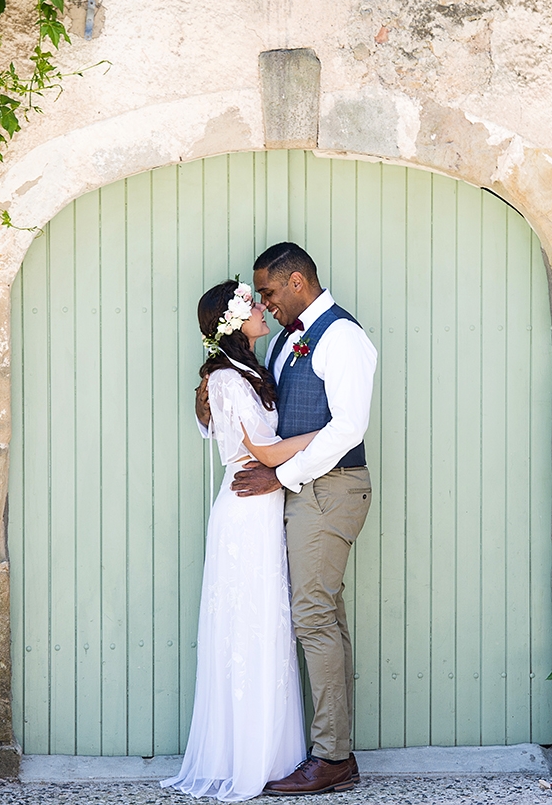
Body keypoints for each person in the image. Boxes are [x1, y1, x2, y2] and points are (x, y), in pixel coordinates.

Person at [200, 242, 378, 796]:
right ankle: (332, 752)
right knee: (322, 617)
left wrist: (281, 475)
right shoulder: (285, 342)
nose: (266, 303)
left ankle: (331, 758)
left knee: (313, 620)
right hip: (300, 492)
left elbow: (348, 428)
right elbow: (258, 414)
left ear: (298, 281)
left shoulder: (343, 338)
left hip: (330, 489)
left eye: (271, 292)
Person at [162, 280, 315, 802]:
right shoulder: (226, 379)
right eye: (251, 304)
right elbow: (265, 454)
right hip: (246, 513)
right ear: (232, 320)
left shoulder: (252, 368)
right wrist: (334, 434)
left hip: (266, 510)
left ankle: (271, 752)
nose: (261, 309)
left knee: (269, 623)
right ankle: (246, 757)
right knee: (251, 624)